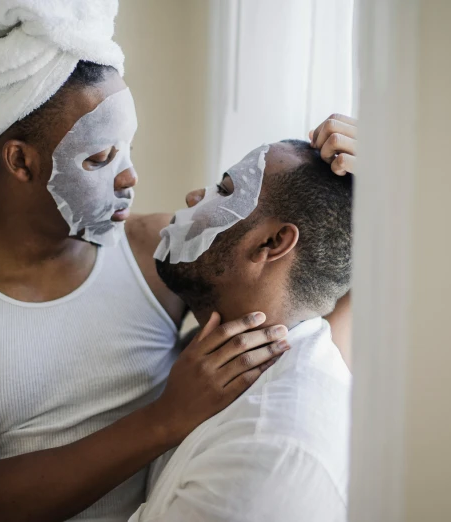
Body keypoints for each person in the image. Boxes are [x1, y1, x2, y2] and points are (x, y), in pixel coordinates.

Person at [0, 2, 357, 521]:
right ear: (21, 160)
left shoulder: (155, 249)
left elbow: (289, 314)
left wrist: (377, 191)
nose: (130, 177)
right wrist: (163, 420)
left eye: (127, 147)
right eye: (98, 158)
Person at [131, 140, 353, 521]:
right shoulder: (223, 362)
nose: (192, 197)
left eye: (224, 190)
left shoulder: (268, 451)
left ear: (271, 243)